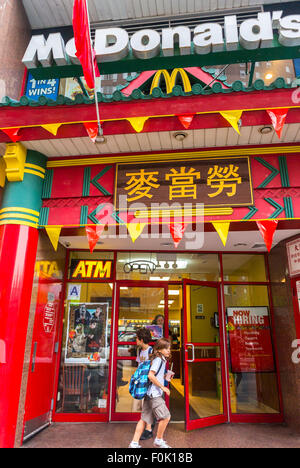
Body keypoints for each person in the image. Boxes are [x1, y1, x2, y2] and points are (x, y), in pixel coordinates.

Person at [129, 338, 172, 449]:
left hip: (149, 394)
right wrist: (163, 387)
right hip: (154, 395)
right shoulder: (158, 360)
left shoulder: (161, 359)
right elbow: (151, 376)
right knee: (166, 417)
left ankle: (134, 443)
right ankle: (158, 440)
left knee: (144, 419)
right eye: (166, 348)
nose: (168, 350)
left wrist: (164, 377)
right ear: (159, 349)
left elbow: (155, 375)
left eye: (169, 348)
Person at [133, 327, 154, 441]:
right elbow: (139, 365)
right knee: (146, 404)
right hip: (142, 383)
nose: (135, 340)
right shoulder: (140, 351)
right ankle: (149, 426)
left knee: (148, 405)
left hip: (149, 383)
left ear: (141, 339)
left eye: (137, 338)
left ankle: (149, 429)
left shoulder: (151, 351)